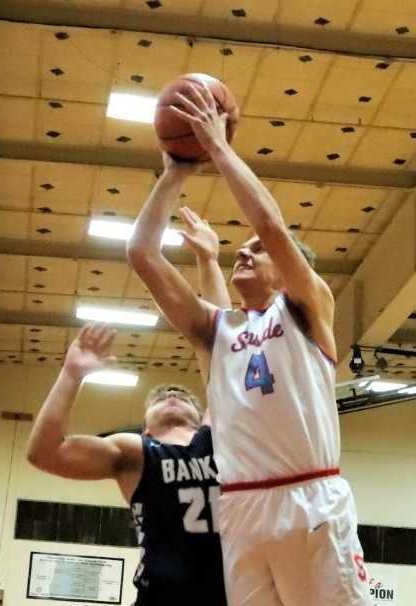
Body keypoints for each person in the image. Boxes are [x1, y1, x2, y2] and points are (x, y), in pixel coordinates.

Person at [126, 83, 370, 606]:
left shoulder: (306, 306)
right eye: (242, 248)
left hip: (309, 499)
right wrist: (175, 172)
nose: (244, 250)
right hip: (242, 510)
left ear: (287, 271)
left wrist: (218, 147)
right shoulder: (218, 331)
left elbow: (270, 224)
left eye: (257, 252)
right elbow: (142, 254)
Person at [26, 216, 231, 606]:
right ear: (146, 428)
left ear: (200, 412)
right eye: (160, 398)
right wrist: (71, 374)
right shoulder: (134, 451)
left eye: (183, 395)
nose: (172, 395)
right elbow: (44, 453)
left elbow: (221, 345)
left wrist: (208, 260)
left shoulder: (219, 434)